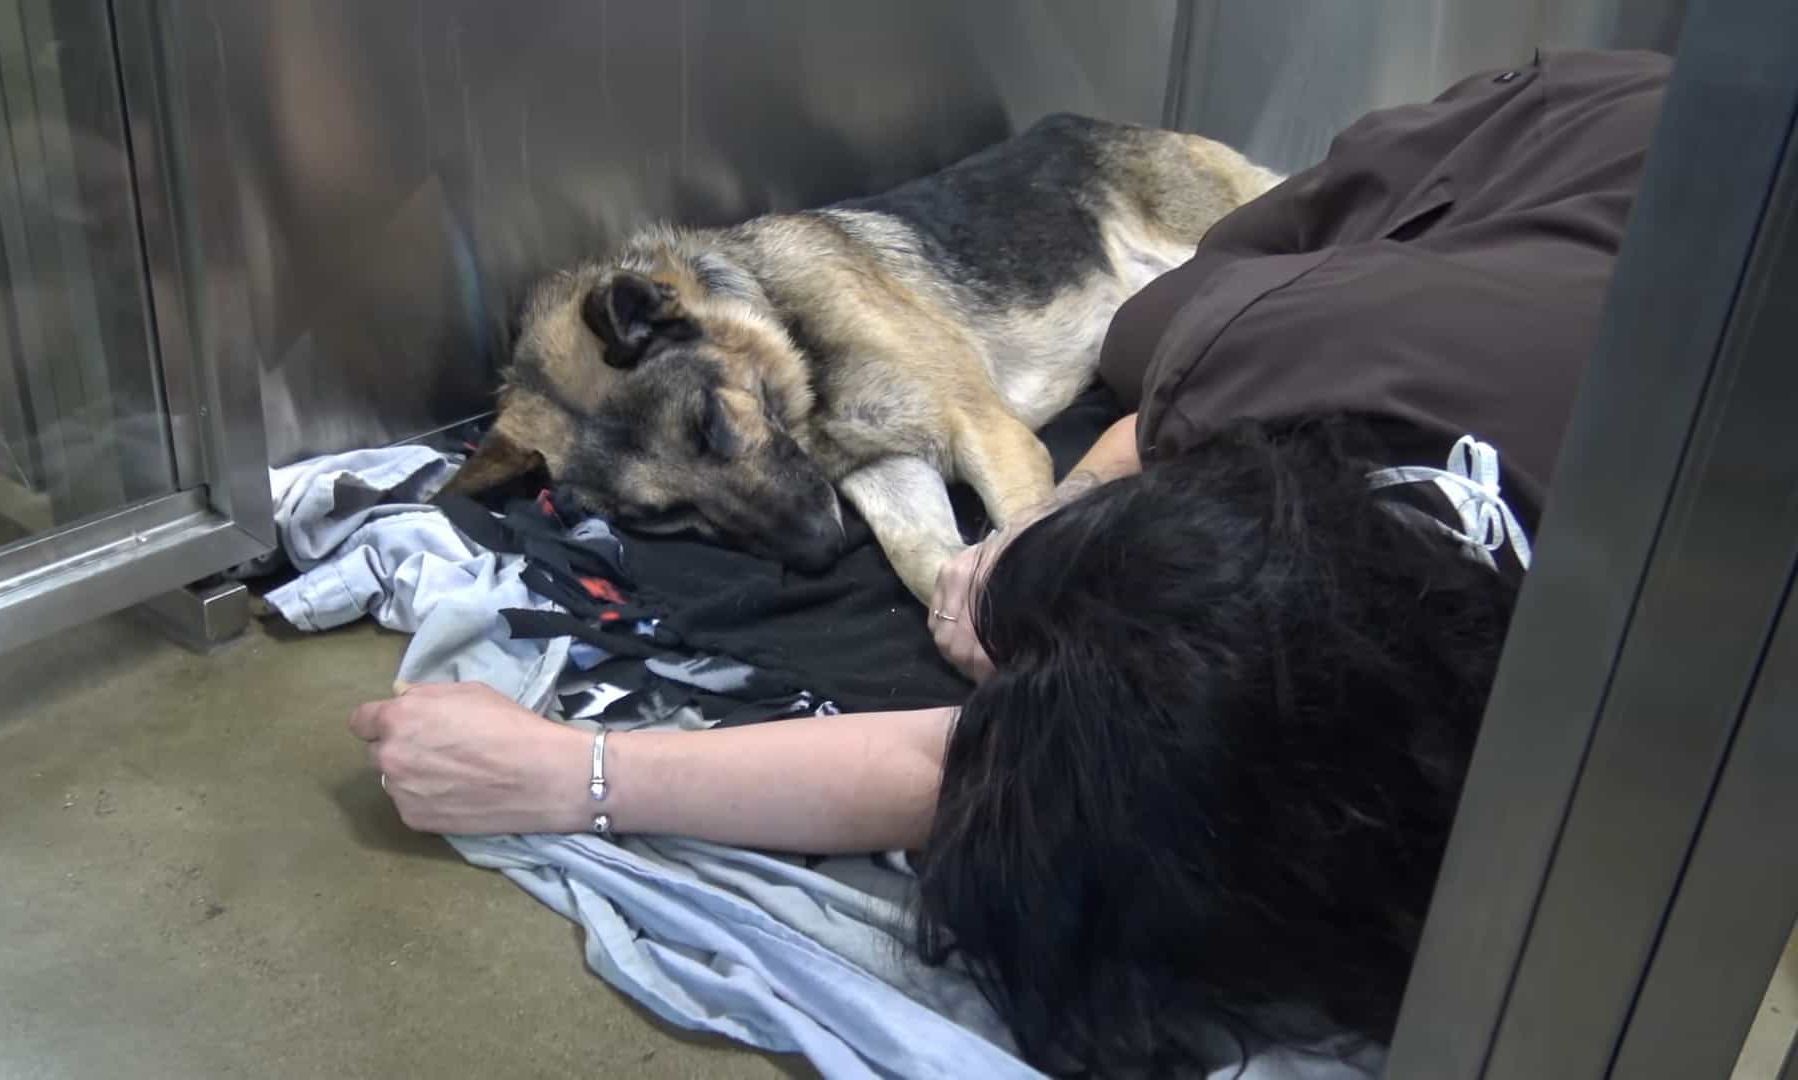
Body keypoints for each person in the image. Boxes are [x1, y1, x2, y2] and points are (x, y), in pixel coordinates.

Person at [349, 51, 1671, 1077]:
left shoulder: (1641, 666)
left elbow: (1010, 763)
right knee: (1170, 314)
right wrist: (1028, 543)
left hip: (1594, 202)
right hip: (1529, 152)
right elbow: (1027, 738)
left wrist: (578, 773)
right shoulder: (1237, 348)